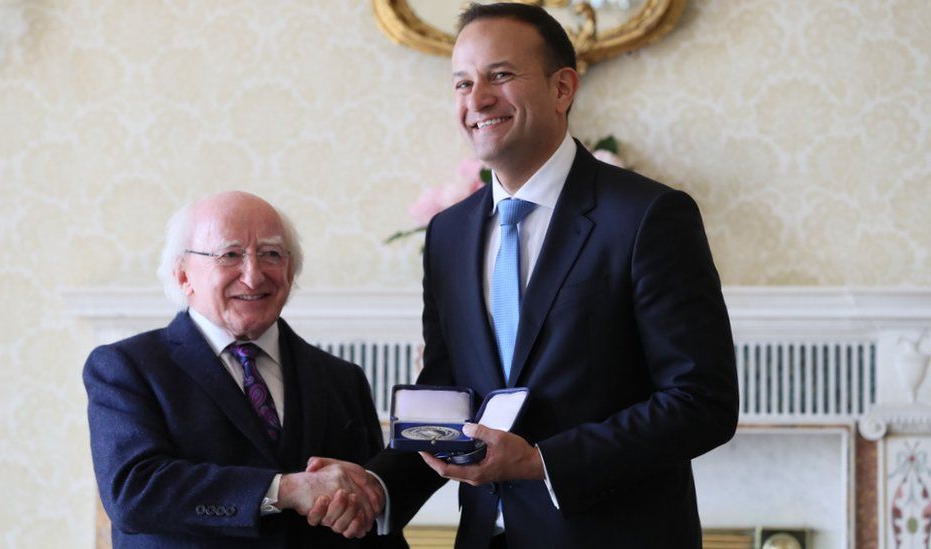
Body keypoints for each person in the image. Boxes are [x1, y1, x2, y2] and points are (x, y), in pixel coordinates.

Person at [316, 3, 740, 547]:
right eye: (462, 83)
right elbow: (449, 393)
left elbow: (702, 402)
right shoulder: (448, 233)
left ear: (563, 88)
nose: (477, 100)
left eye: (500, 75)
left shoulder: (647, 217)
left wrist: (543, 462)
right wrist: (375, 485)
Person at [83, 191, 407, 548]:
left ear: (290, 271)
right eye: (230, 255)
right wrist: (285, 490)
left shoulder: (342, 379)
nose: (253, 276)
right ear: (183, 276)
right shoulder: (127, 368)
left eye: (271, 254)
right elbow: (134, 493)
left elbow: (375, 527)